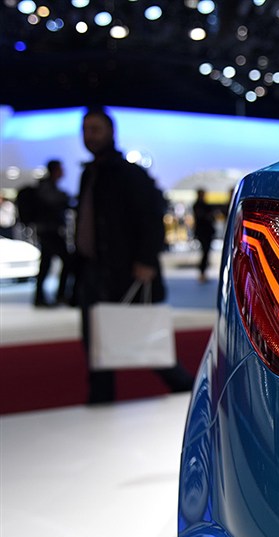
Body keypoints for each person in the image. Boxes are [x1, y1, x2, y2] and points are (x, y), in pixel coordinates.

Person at [75, 106, 194, 404]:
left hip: (125, 269)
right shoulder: (90, 173)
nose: (89, 136)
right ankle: (100, 398)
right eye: (86, 130)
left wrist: (146, 260)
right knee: (97, 339)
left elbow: (151, 218)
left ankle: (186, 388)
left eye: (95, 129)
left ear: (111, 132)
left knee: (142, 337)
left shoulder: (128, 174)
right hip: (93, 269)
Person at [33, 160, 73, 307]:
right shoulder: (47, 187)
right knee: (65, 261)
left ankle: (43, 297)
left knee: (47, 264)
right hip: (48, 231)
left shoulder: (49, 187)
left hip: (49, 231)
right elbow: (54, 201)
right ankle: (58, 295)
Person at [192, 188, 216, 283]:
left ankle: (203, 273)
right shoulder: (198, 205)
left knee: (206, 252)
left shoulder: (202, 205)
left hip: (206, 232)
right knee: (205, 252)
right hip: (203, 232)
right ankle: (202, 273)